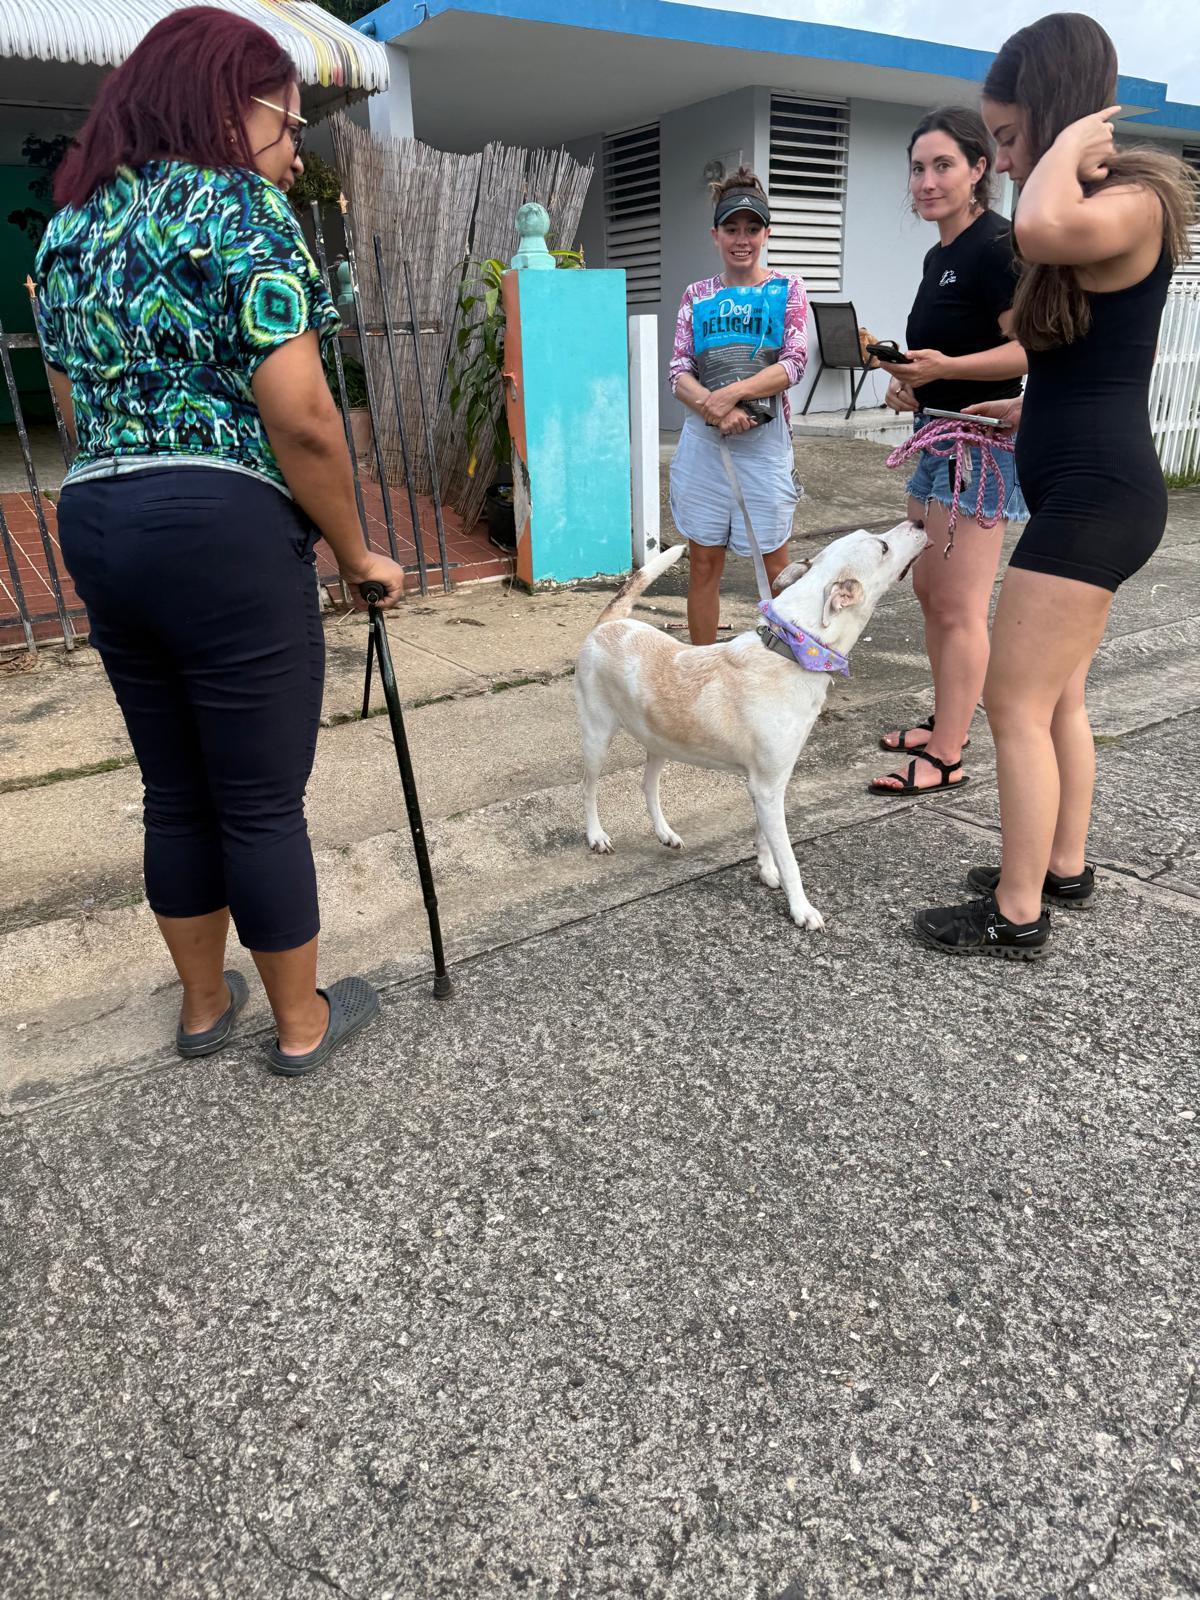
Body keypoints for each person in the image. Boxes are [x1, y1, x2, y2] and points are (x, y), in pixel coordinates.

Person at [35, 6, 407, 1071]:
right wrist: (355, 549)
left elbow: (67, 407)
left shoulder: (71, 224)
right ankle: (302, 1025)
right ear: (226, 107)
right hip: (221, 526)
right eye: (288, 125)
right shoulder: (237, 210)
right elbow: (301, 415)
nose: (295, 151)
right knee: (255, 796)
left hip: (101, 517)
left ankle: (204, 1008)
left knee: (175, 785)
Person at [914, 13, 1198, 958]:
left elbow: (1037, 221)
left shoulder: (1137, 197)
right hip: (1081, 476)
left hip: (1096, 499)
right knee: (1060, 700)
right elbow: (1092, 365)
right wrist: (1020, 411)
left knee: (1013, 703)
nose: (998, 160)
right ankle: (1059, 866)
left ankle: (1017, 910)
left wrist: (1073, 136)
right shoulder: (1088, 206)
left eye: (1004, 136)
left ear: (1056, 111)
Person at [870, 107, 1027, 797]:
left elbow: (1030, 347)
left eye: (943, 166)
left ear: (977, 171)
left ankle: (949, 754)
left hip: (983, 447)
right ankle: (946, 723)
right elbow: (951, 359)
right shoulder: (940, 255)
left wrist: (944, 373)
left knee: (960, 605)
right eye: (918, 167)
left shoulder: (999, 246)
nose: (927, 181)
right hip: (935, 434)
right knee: (932, 592)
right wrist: (912, 384)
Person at [668, 167, 808, 644]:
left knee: (775, 565)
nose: (741, 239)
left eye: (752, 228)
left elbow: (794, 363)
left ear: (766, 232)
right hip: (706, 445)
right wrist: (713, 409)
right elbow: (678, 371)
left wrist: (731, 395)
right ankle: (701, 669)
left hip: (765, 445)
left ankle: (784, 668)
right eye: (731, 229)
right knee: (704, 561)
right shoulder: (697, 295)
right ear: (715, 235)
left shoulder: (787, 289)